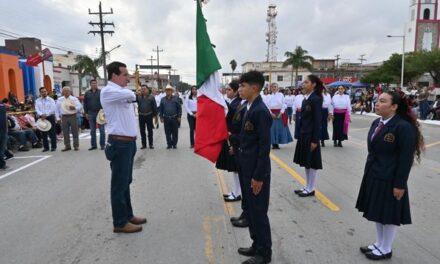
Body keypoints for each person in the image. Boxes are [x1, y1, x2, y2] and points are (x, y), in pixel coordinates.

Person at [355, 91, 424, 261]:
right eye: (378, 100)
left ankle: (386, 248)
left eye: (383, 101)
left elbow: (405, 158)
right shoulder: (376, 123)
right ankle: (379, 243)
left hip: (390, 177)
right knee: (377, 212)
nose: (377, 104)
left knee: (389, 214)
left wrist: (400, 184)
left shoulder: (403, 127)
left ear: (394, 107)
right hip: (374, 173)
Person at [101, 61, 146, 233]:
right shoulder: (109, 91)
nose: (128, 78)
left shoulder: (119, 92)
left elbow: (132, 94)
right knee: (119, 184)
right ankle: (119, 222)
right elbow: (132, 93)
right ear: (114, 76)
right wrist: (131, 89)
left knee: (126, 181)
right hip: (119, 143)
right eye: (125, 75)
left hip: (128, 142)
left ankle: (128, 215)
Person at [237, 71, 272, 264]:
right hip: (246, 166)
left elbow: (264, 147)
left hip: (256, 171)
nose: (239, 89)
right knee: (250, 209)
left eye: (243, 86)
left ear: (254, 88)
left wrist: (258, 176)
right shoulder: (248, 107)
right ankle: (256, 244)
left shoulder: (261, 111)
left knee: (258, 212)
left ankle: (264, 253)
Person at [293, 75, 323, 197]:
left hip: (311, 135)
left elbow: (317, 121)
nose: (303, 84)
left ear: (314, 84)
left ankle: (311, 188)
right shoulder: (306, 99)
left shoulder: (316, 99)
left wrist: (315, 140)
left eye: (306, 82)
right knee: (306, 162)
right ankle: (307, 186)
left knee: (312, 163)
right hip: (304, 134)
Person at [216, 80, 242, 203]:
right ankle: (236, 191)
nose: (227, 91)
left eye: (229, 90)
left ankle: (237, 193)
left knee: (236, 167)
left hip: (235, 138)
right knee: (234, 167)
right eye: (226, 89)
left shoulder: (236, 104)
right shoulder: (233, 103)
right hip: (232, 137)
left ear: (236, 91)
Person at [267, 83, 293, 149]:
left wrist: (281, 113)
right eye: (272, 87)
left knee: (279, 129)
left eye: (275, 87)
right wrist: (271, 113)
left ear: (278, 88)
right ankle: (273, 143)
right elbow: (267, 106)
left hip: (280, 113)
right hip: (272, 114)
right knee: (272, 129)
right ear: (271, 88)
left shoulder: (281, 95)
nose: (274, 88)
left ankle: (277, 143)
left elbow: (284, 104)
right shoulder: (268, 96)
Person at [56, 86, 81, 151]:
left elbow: (79, 106)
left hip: (72, 115)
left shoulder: (74, 99)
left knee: (75, 131)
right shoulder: (60, 99)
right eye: (65, 91)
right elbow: (56, 109)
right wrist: (58, 118)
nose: (66, 92)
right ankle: (67, 146)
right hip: (64, 116)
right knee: (65, 132)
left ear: (70, 92)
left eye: (67, 91)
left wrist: (75, 108)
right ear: (63, 92)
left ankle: (76, 145)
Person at [84, 79, 106, 151]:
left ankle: (102, 145)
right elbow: (85, 103)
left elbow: (104, 102)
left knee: (102, 130)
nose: (94, 84)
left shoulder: (101, 92)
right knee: (92, 130)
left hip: (100, 113)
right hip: (90, 113)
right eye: (92, 83)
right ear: (90, 84)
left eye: (95, 83)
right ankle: (93, 145)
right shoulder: (87, 93)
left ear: (97, 84)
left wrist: (105, 112)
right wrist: (86, 113)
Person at [159, 85, 182, 149]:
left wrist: (179, 116)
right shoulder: (162, 99)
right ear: (165, 91)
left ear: (172, 91)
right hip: (166, 118)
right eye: (167, 90)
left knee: (175, 132)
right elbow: (161, 109)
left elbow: (179, 108)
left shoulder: (176, 98)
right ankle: (169, 144)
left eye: (169, 90)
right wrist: (161, 117)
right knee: (167, 132)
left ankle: (174, 144)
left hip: (174, 118)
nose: (168, 91)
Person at [35, 87, 57, 152]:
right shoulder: (37, 100)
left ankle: (53, 146)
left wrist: (46, 114)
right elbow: (37, 109)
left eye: (45, 91)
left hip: (50, 117)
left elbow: (52, 109)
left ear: (47, 92)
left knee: (52, 132)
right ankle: (46, 147)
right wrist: (41, 114)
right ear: (40, 93)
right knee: (43, 132)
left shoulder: (51, 100)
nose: (44, 93)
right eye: (42, 92)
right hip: (41, 117)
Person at [137, 85, 157, 149]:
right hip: (141, 116)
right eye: (142, 89)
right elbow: (131, 100)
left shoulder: (151, 97)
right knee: (142, 131)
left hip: (149, 116)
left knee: (150, 131)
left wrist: (155, 116)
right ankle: (144, 144)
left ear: (148, 90)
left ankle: (151, 144)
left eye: (144, 89)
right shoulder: (138, 97)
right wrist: (136, 93)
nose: (143, 90)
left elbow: (154, 107)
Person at [0, 101, 7, 170]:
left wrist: (6, 129)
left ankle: (2, 164)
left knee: (2, 148)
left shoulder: (2, 104)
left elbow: (5, 116)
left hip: (3, 129)